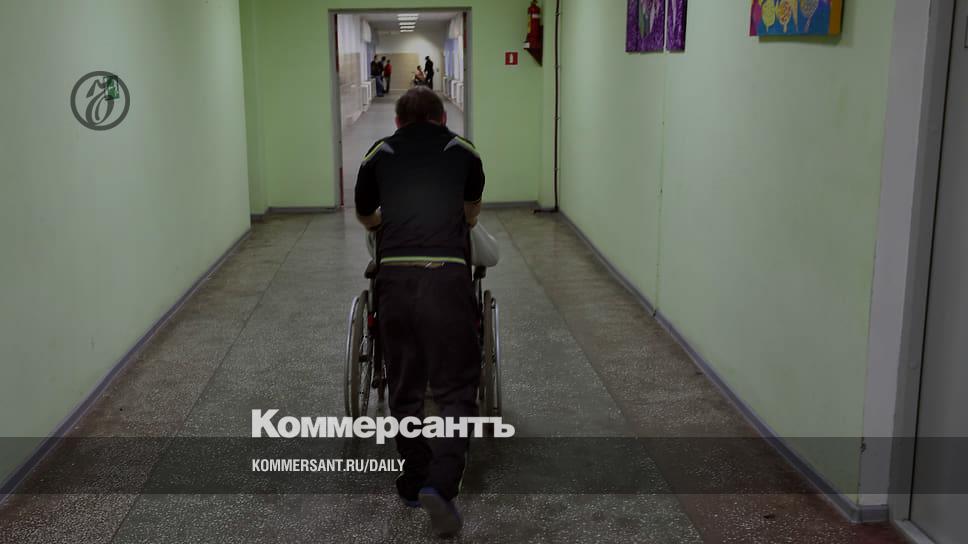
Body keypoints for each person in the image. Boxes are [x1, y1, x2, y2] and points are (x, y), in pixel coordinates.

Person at [355, 87, 484, 538]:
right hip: (446, 278)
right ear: (442, 118)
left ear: (397, 122)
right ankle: (441, 484)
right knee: (456, 388)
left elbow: (366, 214)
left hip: (394, 280)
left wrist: (389, 223)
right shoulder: (463, 151)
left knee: (405, 386)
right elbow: (471, 214)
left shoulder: (378, 152)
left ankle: (413, 479)